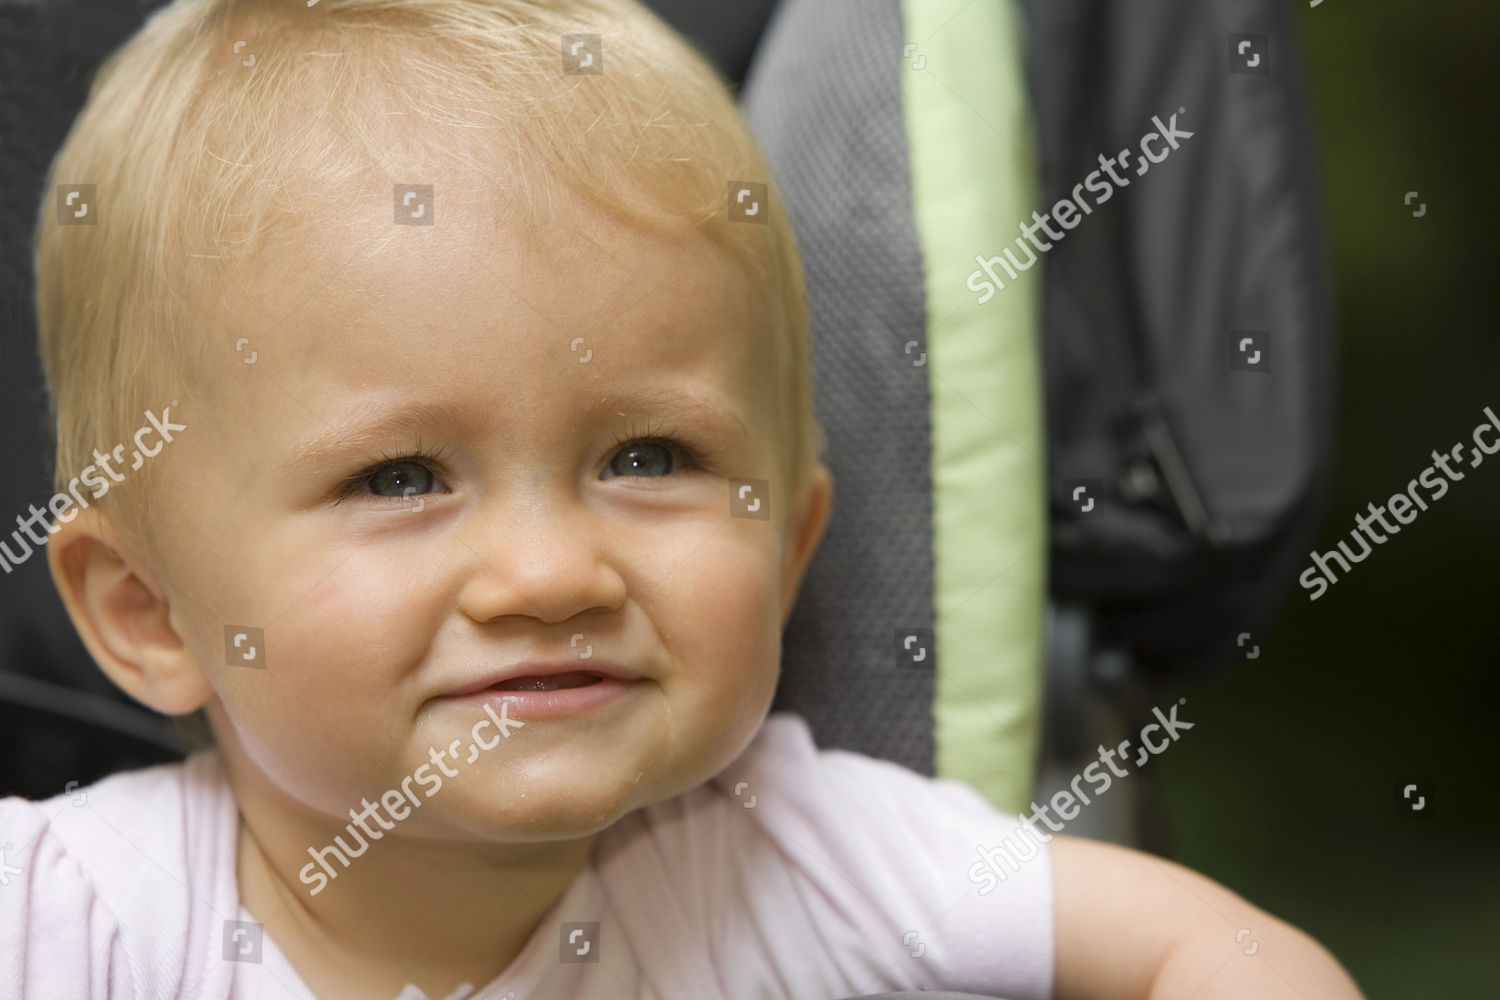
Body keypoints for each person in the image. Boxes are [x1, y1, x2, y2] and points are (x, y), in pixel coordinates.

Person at [1, 1, 1365, 997]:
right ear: (149, 612)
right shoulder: (80, 920)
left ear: (790, 551)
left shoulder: (798, 862)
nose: (549, 574)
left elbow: (1224, 952)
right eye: (403, 477)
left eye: (649, 458)